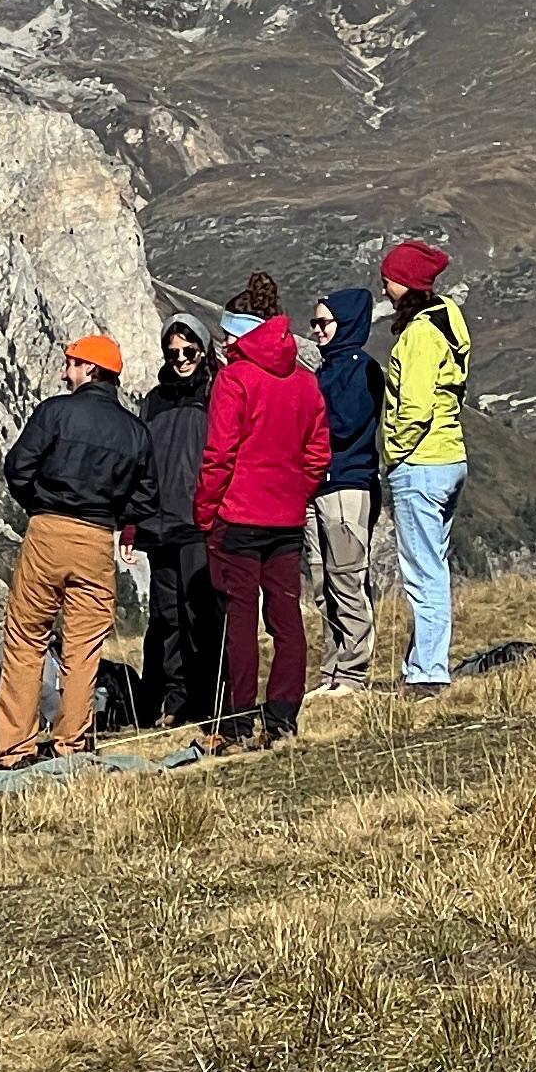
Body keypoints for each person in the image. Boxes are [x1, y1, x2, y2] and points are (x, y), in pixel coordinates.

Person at [0, 334, 151, 768]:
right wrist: (112, 513)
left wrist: (40, 504)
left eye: (71, 364)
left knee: (27, 638)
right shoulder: (135, 431)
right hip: (98, 539)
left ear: (90, 370)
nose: (65, 372)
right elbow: (147, 497)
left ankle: (13, 749)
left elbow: (17, 466)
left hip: (48, 531)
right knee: (84, 647)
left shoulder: (55, 412)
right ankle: (72, 744)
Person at [196, 308, 332, 749]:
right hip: (287, 518)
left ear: (236, 339)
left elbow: (219, 452)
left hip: (238, 516)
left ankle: (237, 720)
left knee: (240, 619)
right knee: (286, 616)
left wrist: (205, 511)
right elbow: (317, 453)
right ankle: (282, 717)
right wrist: (297, 492)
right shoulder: (304, 381)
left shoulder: (235, 379)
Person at [377, 241, 471, 697]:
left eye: (390, 278)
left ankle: (429, 672)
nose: (384, 286)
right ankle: (423, 662)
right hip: (451, 457)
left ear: (406, 284)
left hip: (420, 463)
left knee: (423, 574)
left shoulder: (417, 336)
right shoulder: (449, 322)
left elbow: (412, 408)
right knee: (436, 565)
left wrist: (394, 453)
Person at [304, 284, 398, 690]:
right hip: (318, 486)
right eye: (315, 323)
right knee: (323, 582)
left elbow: (343, 425)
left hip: (347, 484)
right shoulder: (325, 370)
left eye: (324, 322)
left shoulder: (363, 369)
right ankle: (332, 669)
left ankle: (354, 670)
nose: (317, 331)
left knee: (347, 578)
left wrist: (305, 423)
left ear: (346, 324)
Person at [134, 319, 222, 731]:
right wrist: (134, 520)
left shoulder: (215, 394)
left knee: (200, 612)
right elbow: (141, 462)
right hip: (158, 523)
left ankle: (209, 697)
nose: (181, 359)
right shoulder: (153, 401)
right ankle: (175, 698)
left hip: (199, 521)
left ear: (203, 352)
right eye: (174, 353)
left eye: (189, 351)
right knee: (166, 616)